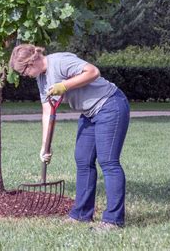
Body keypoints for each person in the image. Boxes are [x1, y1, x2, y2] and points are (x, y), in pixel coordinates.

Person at [9, 44, 130, 231]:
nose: (24, 76)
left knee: (108, 162)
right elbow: (47, 111)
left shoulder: (59, 62)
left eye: (24, 71)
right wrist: (45, 147)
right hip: (90, 113)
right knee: (83, 160)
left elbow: (93, 71)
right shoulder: (41, 79)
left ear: (31, 61)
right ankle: (81, 215)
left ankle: (113, 220)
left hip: (110, 105)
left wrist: (64, 85)